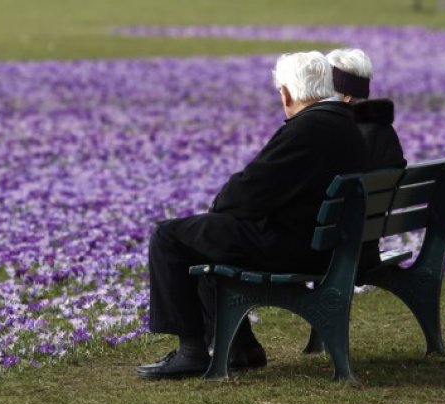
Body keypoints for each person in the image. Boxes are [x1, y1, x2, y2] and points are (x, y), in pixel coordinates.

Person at [137, 51, 367, 379]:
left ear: (286, 93)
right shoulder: (342, 124)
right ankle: (241, 346)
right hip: (323, 241)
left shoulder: (308, 128)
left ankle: (192, 351)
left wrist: (218, 206)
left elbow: (251, 190)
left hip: (297, 247)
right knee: (205, 236)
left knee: (169, 236)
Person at [326, 48, 407, 273]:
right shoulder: (386, 132)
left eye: (324, 89)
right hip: (367, 249)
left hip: (333, 252)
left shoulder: (341, 136)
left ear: (346, 97)